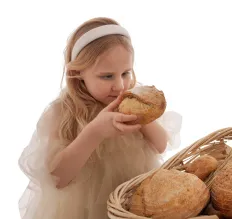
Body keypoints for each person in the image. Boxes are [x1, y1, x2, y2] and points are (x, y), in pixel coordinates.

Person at [18, 17, 182, 219]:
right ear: (78, 73)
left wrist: (143, 118)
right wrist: (94, 132)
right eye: (107, 76)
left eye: (125, 73)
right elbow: (57, 178)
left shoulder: (131, 100)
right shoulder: (62, 113)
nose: (120, 85)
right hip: (84, 210)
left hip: (131, 203)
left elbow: (161, 145)